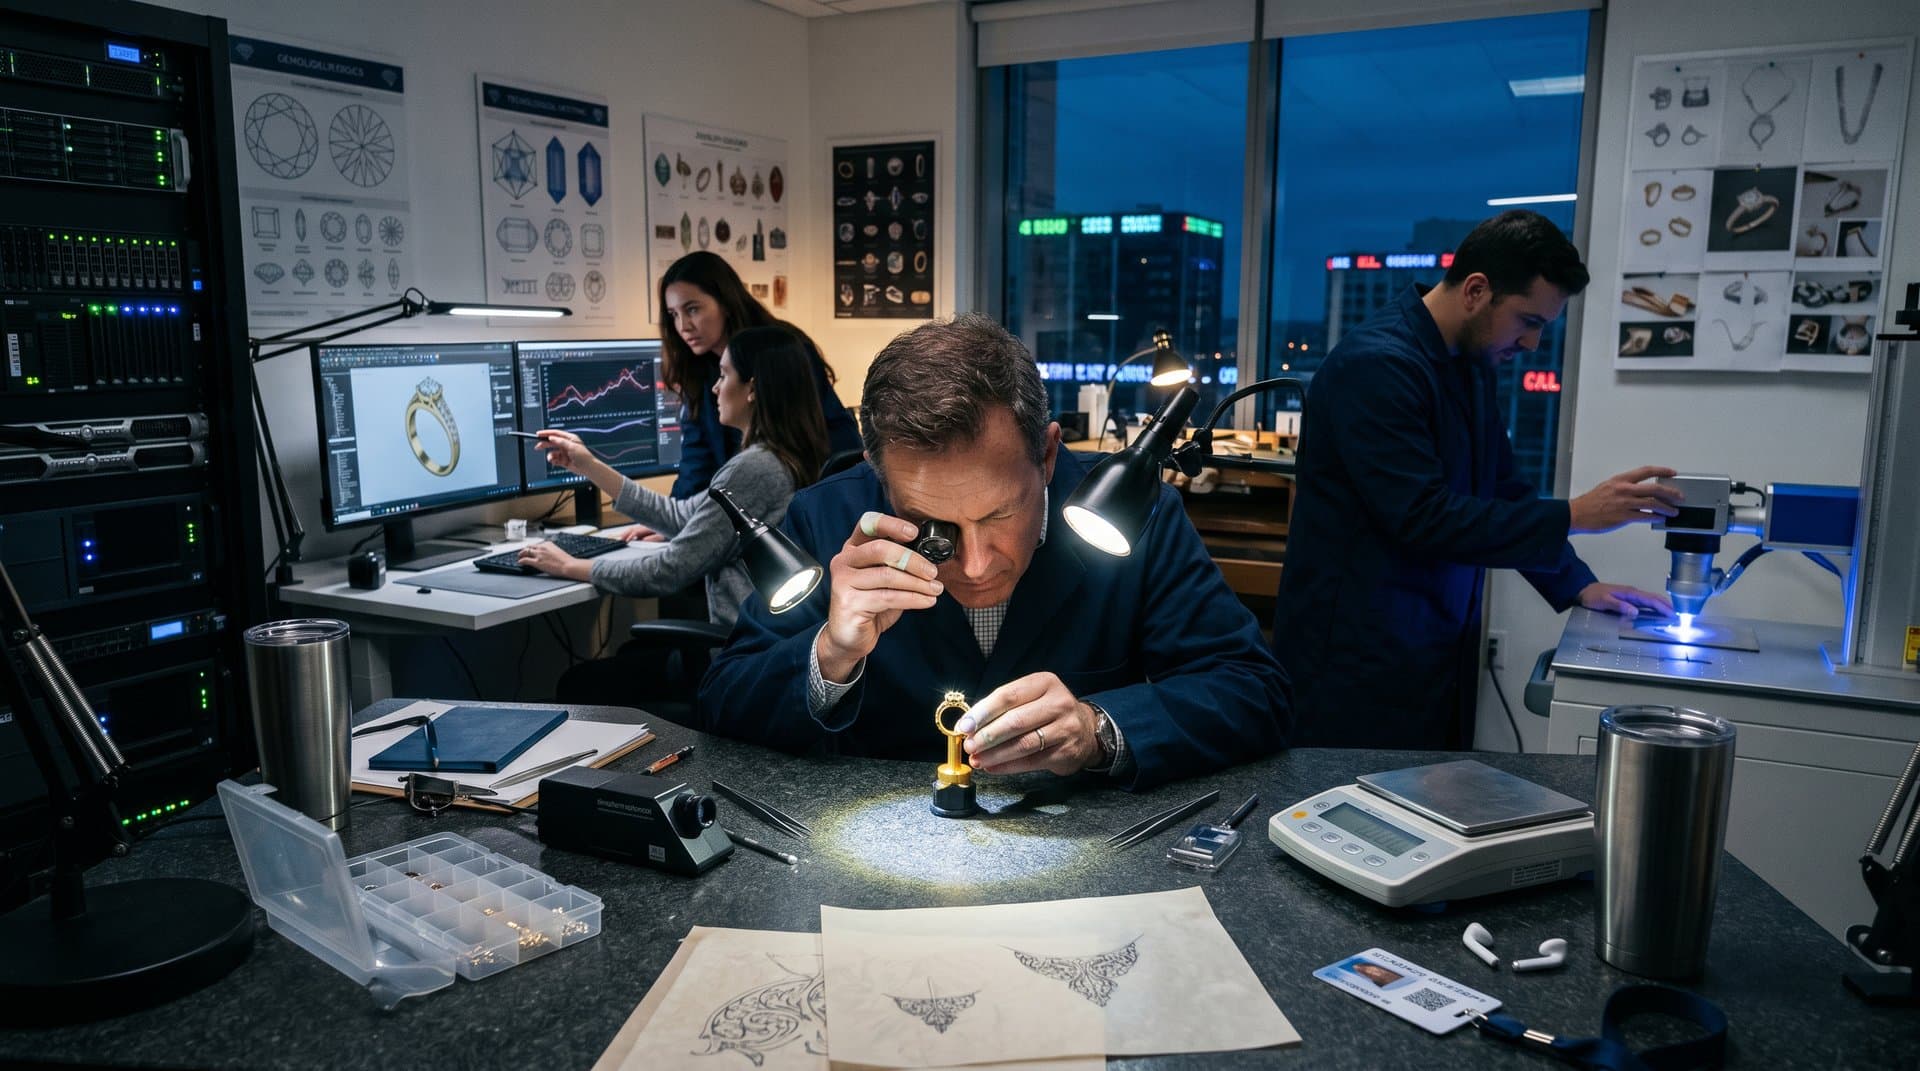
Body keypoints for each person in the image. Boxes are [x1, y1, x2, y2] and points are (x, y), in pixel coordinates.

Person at [698, 314, 1288, 790]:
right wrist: (829, 655)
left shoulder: (1141, 517)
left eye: (1002, 514)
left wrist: (1097, 730)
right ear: (880, 481)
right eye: (933, 524)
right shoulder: (827, 519)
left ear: (1049, 456)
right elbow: (724, 699)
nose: (976, 565)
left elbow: (1251, 691)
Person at [1273, 210, 1679, 751]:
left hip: (1433, 651)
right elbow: (1423, 517)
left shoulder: (1470, 364)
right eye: (1528, 321)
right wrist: (1575, 514)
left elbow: (1503, 487)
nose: (1532, 344)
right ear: (1476, 290)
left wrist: (1577, 583)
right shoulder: (1375, 367)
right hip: (1356, 664)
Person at [520, 325, 829, 631]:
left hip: (744, 652)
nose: (715, 388)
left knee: (583, 681)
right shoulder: (788, 455)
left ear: (752, 389)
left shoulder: (755, 469)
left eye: (724, 375)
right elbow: (683, 516)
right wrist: (588, 465)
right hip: (770, 643)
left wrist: (569, 566)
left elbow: (671, 569)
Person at [658, 252, 861, 501]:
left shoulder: (781, 351)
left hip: (804, 502)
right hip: (741, 509)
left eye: (692, 309)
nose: (683, 326)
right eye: (674, 315)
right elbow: (697, 460)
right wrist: (676, 517)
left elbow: (830, 441)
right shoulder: (698, 369)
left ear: (725, 301)